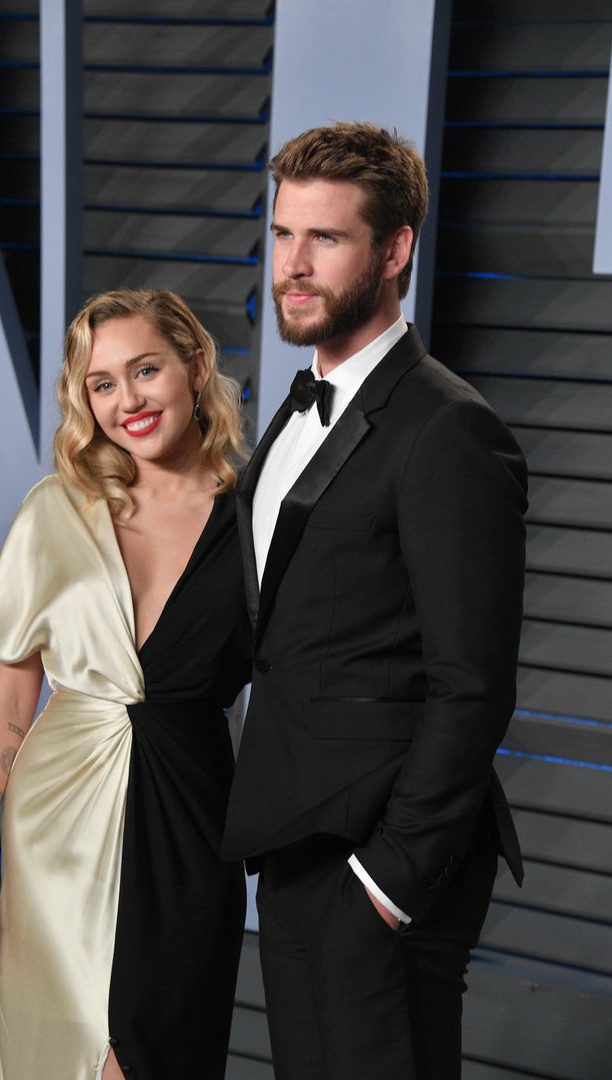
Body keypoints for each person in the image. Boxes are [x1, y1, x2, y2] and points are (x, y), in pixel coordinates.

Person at [222, 121, 528, 1079]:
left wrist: (388, 881)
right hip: (297, 838)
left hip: (377, 859)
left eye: (326, 239)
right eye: (283, 235)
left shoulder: (448, 430)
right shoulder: (301, 404)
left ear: (394, 250)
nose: (293, 266)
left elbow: (471, 685)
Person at [0, 288, 251, 1080]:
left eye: (145, 369)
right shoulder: (55, 510)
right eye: (101, 384)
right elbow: (10, 699)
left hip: (192, 822)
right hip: (56, 833)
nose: (127, 400)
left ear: (196, 365)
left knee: (164, 1053)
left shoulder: (256, 522)